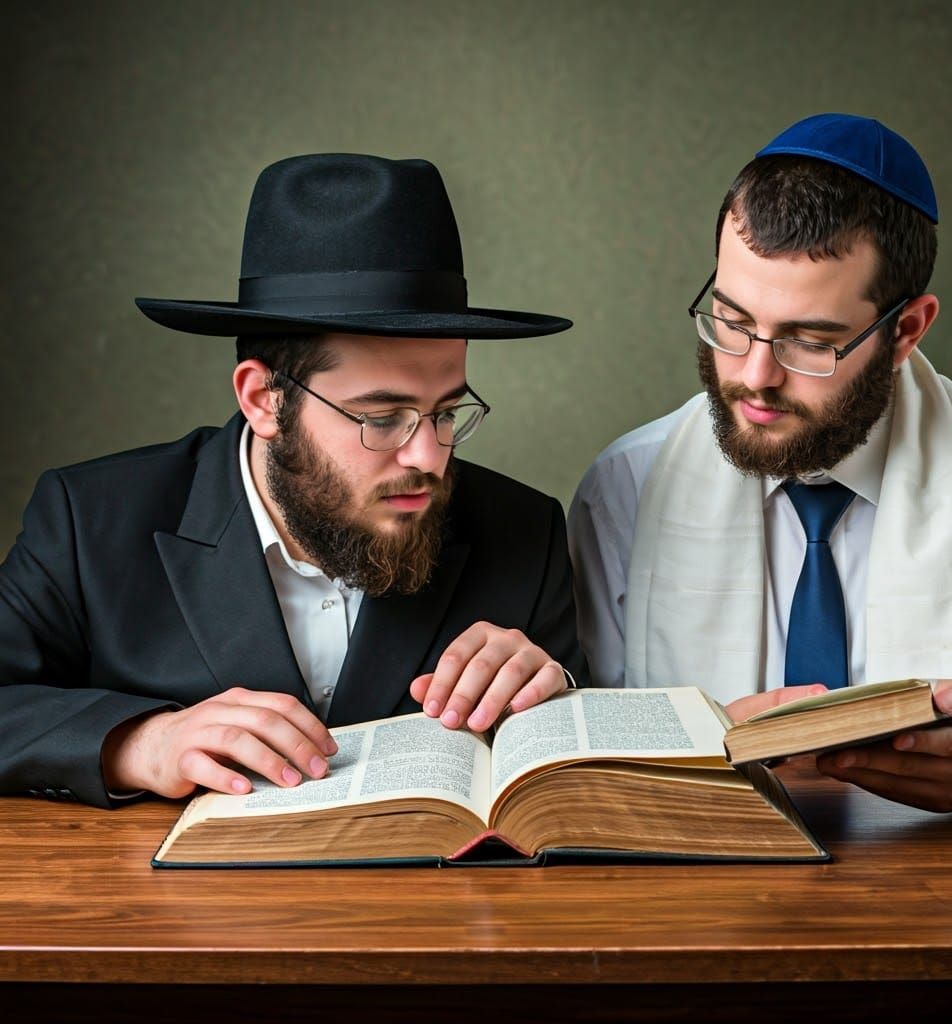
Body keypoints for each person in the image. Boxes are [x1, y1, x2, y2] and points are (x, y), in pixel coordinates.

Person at [0, 152, 586, 809]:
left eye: (447, 412)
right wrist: (138, 744)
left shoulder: (525, 533)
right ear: (263, 400)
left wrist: (553, 689)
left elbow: (579, 754)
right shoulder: (91, 523)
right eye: (383, 417)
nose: (429, 456)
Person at [570, 113, 952, 813]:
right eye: (732, 319)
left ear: (906, 330)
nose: (754, 376)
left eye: (810, 342)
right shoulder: (626, 490)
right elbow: (588, 764)